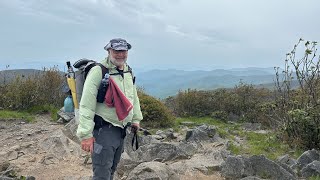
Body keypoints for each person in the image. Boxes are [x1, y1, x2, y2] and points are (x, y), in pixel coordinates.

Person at [76, 38, 143, 180]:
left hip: (122, 129)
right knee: (102, 173)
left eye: (123, 51)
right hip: (104, 129)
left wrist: (136, 119)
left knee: (112, 169)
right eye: (116, 51)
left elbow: (133, 97)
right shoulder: (98, 71)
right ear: (109, 51)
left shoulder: (127, 70)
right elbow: (86, 104)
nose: (120, 54)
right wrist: (85, 134)